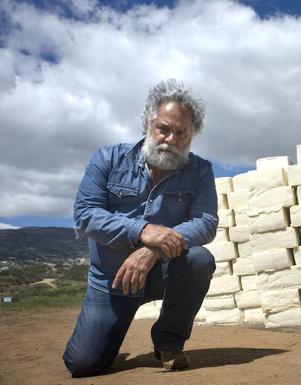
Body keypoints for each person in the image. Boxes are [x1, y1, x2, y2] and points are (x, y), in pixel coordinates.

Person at [63, 79, 219, 377]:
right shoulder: (107, 159)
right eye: (164, 128)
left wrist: (153, 251)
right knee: (83, 365)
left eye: (181, 132)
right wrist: (142, 231)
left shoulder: (200, 170)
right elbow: (85, 214)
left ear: (192, 135)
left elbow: (206, 222)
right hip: (112, 280)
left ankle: (168, 341)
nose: (171, 139)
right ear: (148, 122)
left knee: (199, 259)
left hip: (164, 273)